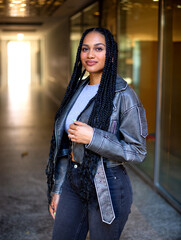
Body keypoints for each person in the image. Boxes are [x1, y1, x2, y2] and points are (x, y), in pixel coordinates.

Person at [45, 27, 148, 240]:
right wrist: (58, 188)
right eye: (85, 49)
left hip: (108, 186)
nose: (90, 55)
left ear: (110, 54)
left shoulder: (124, 95)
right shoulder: (78, 89)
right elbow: (66, 144)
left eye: (98, 49)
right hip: (73, 181)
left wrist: (94, 138)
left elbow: (137, 151)